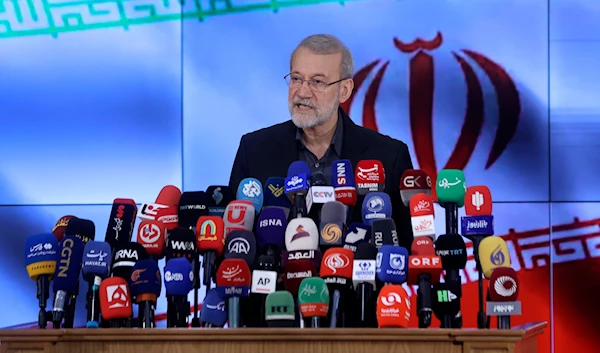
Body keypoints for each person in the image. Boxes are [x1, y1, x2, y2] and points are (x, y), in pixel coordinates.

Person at [229, 34, 414, 247]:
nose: (303, 92)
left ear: (344, 90)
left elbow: (405, 246)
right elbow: (236, 241)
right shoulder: (254, 150)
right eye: (296, 79)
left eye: (317, 82)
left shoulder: (389, 156)